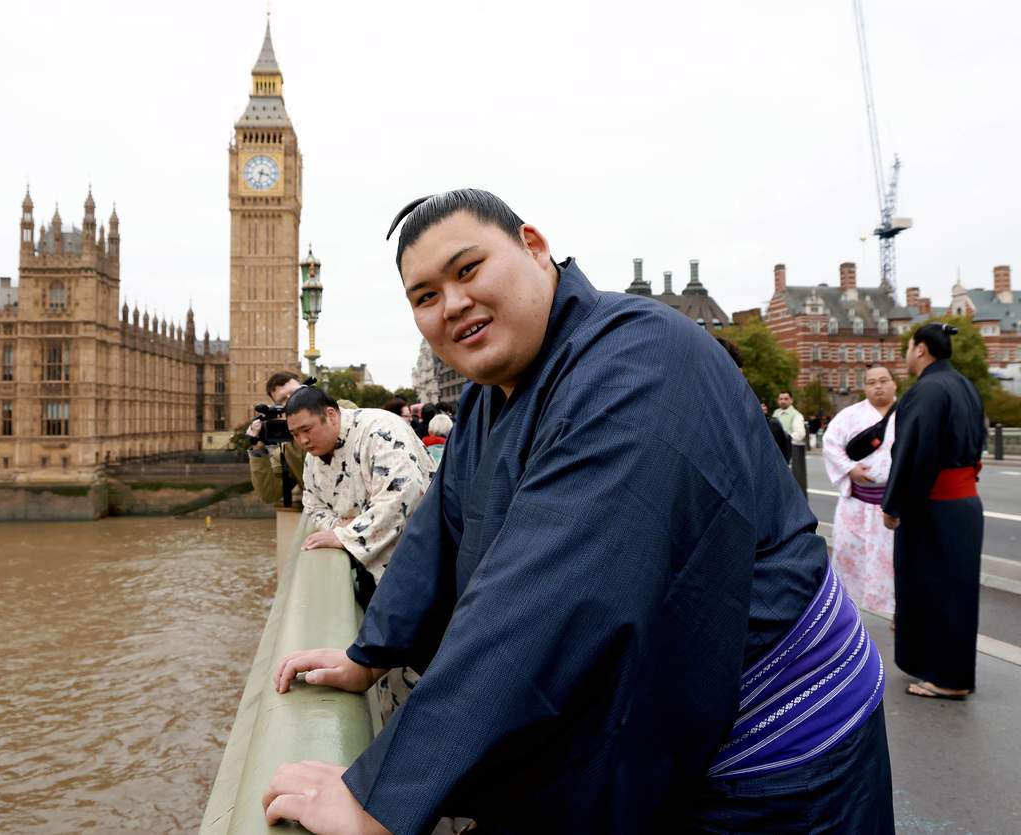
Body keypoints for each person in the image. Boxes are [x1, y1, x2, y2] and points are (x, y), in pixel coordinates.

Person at [263, 189, 891, 834]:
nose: (452, 303)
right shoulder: (487, 397)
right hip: (677, 726)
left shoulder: (638, 360)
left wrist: (381, 799)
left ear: (534, 248)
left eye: (468, 269)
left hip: (775, 749)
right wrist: (371, 652)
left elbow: (543, 597)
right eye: (425, 297)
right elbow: (440, 535)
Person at [882, 323, 986, 701]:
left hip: (934, 505)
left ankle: (948, 679)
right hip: (964, 502)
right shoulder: (964, 385)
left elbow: (912, 452)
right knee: (955, 590)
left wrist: (893, 503)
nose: (907, 354)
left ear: (922, 349)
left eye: (909, 347)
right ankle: (944, 670)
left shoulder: (927, 390)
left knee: (937, 591)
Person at [286, 385, 435, 583]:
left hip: (418, 562)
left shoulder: (381, 428)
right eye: (294, 434)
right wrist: (339, 526)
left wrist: (348, 535)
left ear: (331, 415)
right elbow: (312, 502)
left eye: (306, 430)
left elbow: (404, 493)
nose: (302, 441)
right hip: (368, 571)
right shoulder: (314, 454)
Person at [823, 366, 898, 615]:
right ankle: (848, 613)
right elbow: (830, 444)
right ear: (864, 387)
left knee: (895, 562)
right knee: (850, 558)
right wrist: (849, 468)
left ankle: (899, 612)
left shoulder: (908, 413)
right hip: (856, 503)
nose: (878, 386)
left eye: (883, 381)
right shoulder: (849, 415)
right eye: (872, 382)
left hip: (893, 504)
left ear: (894, 384)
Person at [246, 371, 305, 507]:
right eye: (283, 399)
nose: (291, 400)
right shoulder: (286, 450)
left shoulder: (340, 410)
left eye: (295, 392)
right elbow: (269, 494)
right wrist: (258, 449)